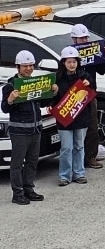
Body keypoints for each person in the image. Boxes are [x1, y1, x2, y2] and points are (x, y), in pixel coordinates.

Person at [4, 50, 51, 204]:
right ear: (18, 67)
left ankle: (28, 189)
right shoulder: (11, 85)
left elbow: (42, 103)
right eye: (25, 66)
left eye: (31, 65)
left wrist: (52, 92)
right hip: (20, 132)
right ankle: (17, 193)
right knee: (17, 163)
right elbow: (5, 108)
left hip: (36, 129)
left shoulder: (34, 83)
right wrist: (10, 99)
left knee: (32, 161)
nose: (29, 69)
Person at [69, 24, 105, 170]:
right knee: (77, 129)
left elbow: (102, 70)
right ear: (74, 39)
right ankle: (76, 159)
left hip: (90, 94)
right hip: (74, 96)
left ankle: (91, 157)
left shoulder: (93, 51)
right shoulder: (70, 55)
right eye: (81, 38)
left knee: (92, 127)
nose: (84, 40)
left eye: (86, 37)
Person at [54, 46, 92, 185]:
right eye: (69, 62)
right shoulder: (57, 79)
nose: (72, 64)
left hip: (81, 117)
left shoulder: (84, 76)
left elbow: (91, 95)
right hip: (64, 118)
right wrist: (54, 92)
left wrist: (89, 85)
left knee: (79, 146)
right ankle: (64, 175)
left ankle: (79, 173)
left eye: (74, 61)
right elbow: (52, 101)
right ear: (63, 62)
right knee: (66, 148)